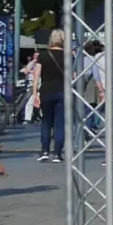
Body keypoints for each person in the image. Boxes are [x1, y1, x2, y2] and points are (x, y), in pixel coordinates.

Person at [32, 33, 66, 161]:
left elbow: (36, 75)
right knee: (60, 123)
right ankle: (57, 153)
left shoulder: (43, 56)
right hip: (63, 91)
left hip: (46, 91)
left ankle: (45, 151)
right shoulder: (69, 56)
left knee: (46, 122)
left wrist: (35, 93)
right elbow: (74, 76)